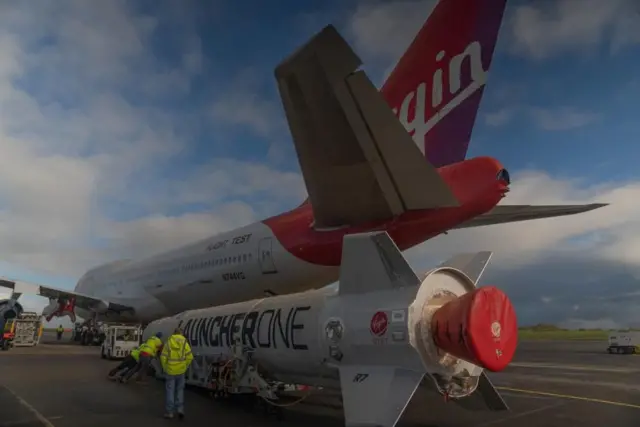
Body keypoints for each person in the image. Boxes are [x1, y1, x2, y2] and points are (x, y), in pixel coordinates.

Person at [160, 327, 193, 420]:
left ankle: (170, 412)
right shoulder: (184, 343)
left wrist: (165, 367)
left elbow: (163, 357)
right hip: (181, 371)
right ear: (181, 333)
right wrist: (185, 366)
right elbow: (190, 357)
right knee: (180, 390)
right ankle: (180, 410)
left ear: (174, 333)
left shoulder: (169, 342)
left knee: (170, 391)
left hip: (170, 370)